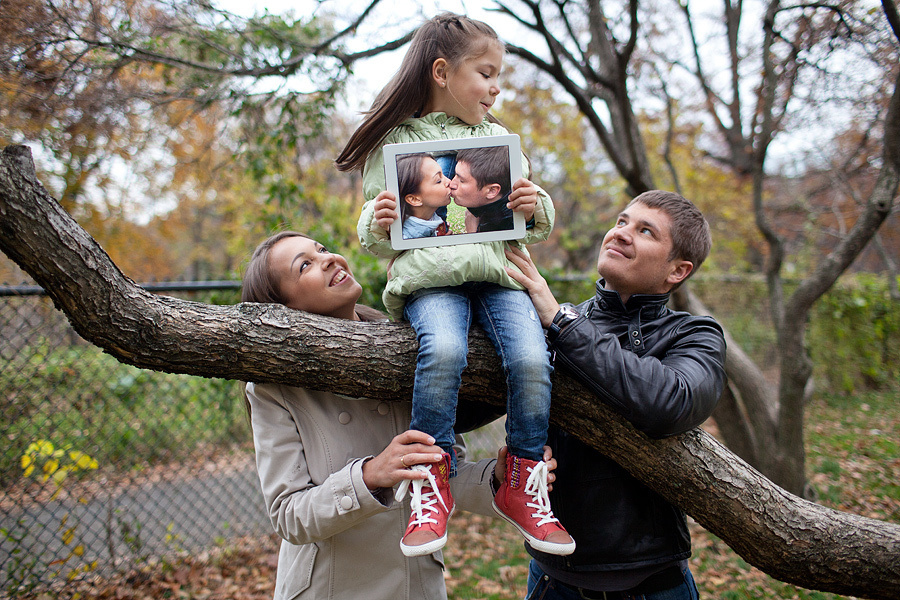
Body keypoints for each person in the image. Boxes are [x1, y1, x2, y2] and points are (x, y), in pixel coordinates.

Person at [335, 12, 574, 558]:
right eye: (486, 73)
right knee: (442, 350)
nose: (496, 87)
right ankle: (429, 481)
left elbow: (533, 222)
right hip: (432, 283)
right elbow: (375, 238)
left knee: (534, 361)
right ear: (443, 71)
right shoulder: (395, 143)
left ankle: (522, 478)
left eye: (499, 77)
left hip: (499, 280)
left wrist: (534, 205)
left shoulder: (496, 139)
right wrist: (380, 218)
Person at [241, 231, 559, 600]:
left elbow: (442, 470)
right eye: (305, 265)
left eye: (322, 249)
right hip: (330, 587)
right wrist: (370, 476)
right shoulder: (274, 387)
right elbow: (288, 516)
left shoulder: (411, 346)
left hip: (415, 584)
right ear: (284, 308)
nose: (328, 258)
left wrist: (496, 478)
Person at [505, 190, 728, 600]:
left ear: (677, 271)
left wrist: (561, 322)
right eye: (622, 221)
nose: (621, 233)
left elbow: (670, 402)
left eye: (645, 231)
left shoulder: (694, 335)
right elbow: (471, 406)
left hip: (655, 586)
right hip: (553, 581)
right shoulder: (553, 320)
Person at [451, 146, 514, 233]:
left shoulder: (510, 224)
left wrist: (473, 235)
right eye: (455, 175)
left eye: (462, 181)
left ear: (492, 191)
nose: (451, 184)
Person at [397, 152, 452, 239]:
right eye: (438, 180)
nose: (449, 181)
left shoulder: (428, 218)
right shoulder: (410, 239)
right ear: (414, 199)